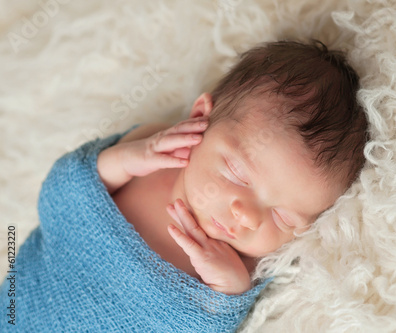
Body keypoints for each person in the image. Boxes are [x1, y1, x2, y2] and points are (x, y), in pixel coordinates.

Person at [0, 40, 367, 332]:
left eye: (283, 217)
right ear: (199, 120)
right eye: (238, 174)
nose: (247, 215)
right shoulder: (148, 156)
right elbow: (60, 197)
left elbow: (206, 324)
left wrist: (229, 290)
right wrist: (126, 159)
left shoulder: (242, 264)